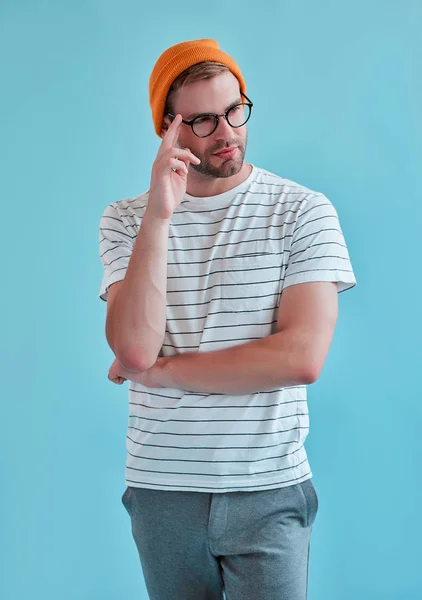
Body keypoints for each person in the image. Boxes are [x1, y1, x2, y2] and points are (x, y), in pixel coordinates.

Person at [98, 38, 357, 600]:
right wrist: (160, 217)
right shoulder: (126, 221)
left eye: (236, 109)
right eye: (205, 120)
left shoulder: (302, 210)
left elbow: (300, 358)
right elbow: (136, 348)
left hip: (266, 487)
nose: (228, 132)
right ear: (169, 128)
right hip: (161, 485)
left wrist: (165, 375)